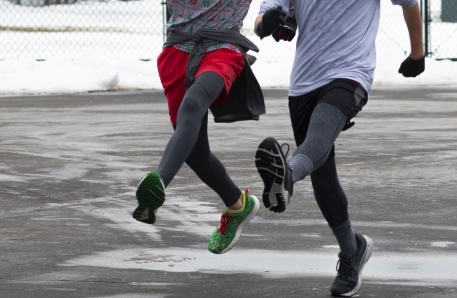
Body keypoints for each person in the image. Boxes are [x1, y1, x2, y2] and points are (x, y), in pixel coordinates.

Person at [254, 1, 425, 296]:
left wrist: (417, 54)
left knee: (317, 140)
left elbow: (409, 4)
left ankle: (287, 178)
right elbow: (263, 18)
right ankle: (352, 250)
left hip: (350, 73)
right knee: (322, 175)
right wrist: (266, 24)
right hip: (304, 83)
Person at [132, 0, 265, 255]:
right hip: (176, 51)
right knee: (195, 154)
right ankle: (238, 205)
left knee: (192, 105)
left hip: (222, 48)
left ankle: (158, 182)